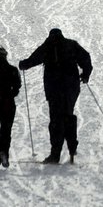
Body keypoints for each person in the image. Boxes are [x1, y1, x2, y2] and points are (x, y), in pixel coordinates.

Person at [18, 28, 92, 164]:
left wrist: (23, 65)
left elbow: (34, 59)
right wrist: (85, 74)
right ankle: (72, 148)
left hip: (54, 89)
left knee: (56, 120)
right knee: (68, 115)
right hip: (71, 87)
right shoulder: (71, 44)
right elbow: (85, 57)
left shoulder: (47, 46)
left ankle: (55, 154)